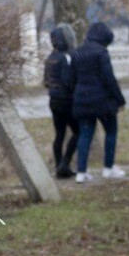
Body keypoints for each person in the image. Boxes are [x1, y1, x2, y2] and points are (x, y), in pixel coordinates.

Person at [71, 21, 126, 183]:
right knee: (111, 131)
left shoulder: (77, 52)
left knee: (85, 134)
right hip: (103, 102)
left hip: (82, 101)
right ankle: (108, 168)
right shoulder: (101, 53)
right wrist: (120, 99)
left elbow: (71, 78)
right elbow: (109, 79)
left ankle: (81, 172)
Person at [43, 23, 79, 178]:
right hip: (66, 101)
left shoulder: (50, 58)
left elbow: (46, 81)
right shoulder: (66, 57)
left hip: (54, 100)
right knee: (79, 132)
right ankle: (65, 163)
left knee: (59, 134)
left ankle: (59, 166)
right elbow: (68, 81)